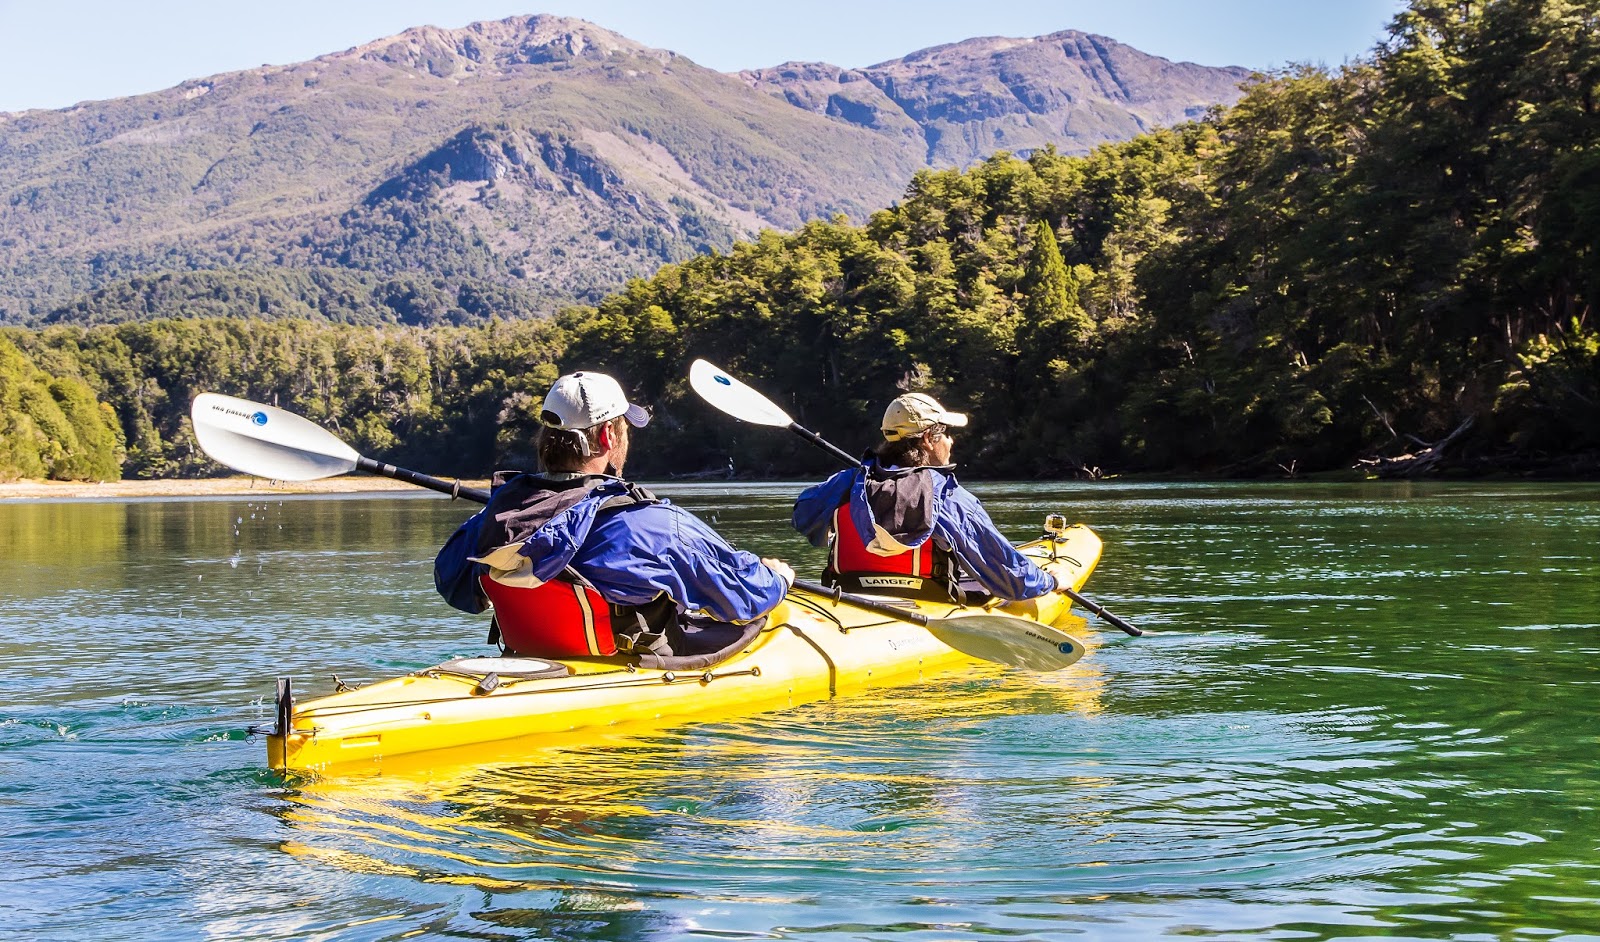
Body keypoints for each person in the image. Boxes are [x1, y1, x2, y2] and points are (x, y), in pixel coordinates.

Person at [436, 370, 795, 665]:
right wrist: (777, 578)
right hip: (628, 669)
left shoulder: (498, 519)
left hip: (529, 664)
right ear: (609, 435)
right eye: (624, 428)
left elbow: (455, 588)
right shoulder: (654, 525)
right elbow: (746, 597)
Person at [792, 392, 1071, 604]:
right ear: (928, 439)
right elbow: (1009, 577)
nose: (951, 441)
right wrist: (1048, 581)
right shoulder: (949, 497)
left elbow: (802, 515)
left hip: (846, 598)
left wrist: (832, 526)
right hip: (928, 602)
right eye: (946, 434)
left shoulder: (847, 482)